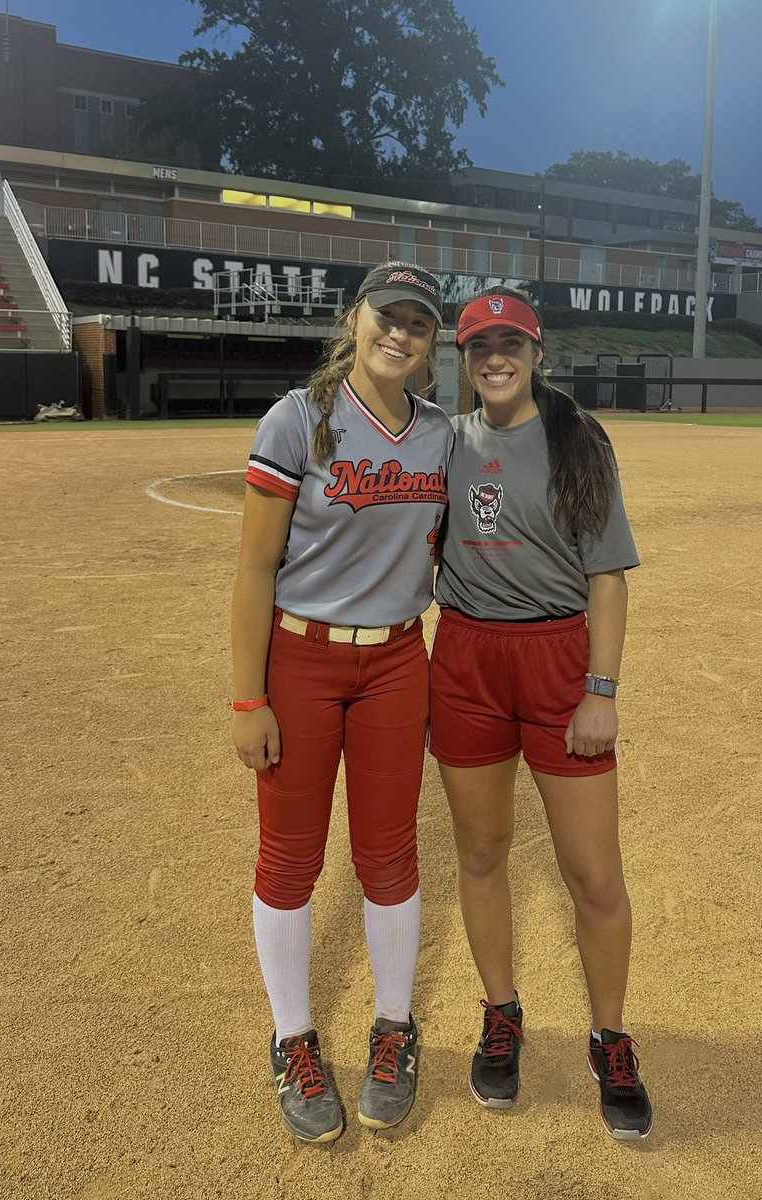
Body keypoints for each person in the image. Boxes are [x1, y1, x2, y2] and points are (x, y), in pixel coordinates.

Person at [231, 263, 452, 1144]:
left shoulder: (440, 435)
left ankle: (395, 1028)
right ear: (354, 319)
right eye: (386, 317)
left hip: (399, 659)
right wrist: (249, 696)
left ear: (432, 344)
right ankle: (293, 1039)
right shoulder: (298, 419)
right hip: (301, 660)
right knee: (290, 857)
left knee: (388, 854)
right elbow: (253, 568)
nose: (398, 334)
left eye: (418, 324)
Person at [428, 287, 652, 1140]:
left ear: (536, 352)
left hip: (558, 661)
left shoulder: (576, 439)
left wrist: (601, 690)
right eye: (479, 345)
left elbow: (606, 575)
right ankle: (501, 1014)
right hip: (466, 659)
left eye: (509, 344)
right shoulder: (445, 442)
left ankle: (609, 1036)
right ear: (463, 356)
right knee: (481, 853)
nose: (494, 357)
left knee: (592, 874)